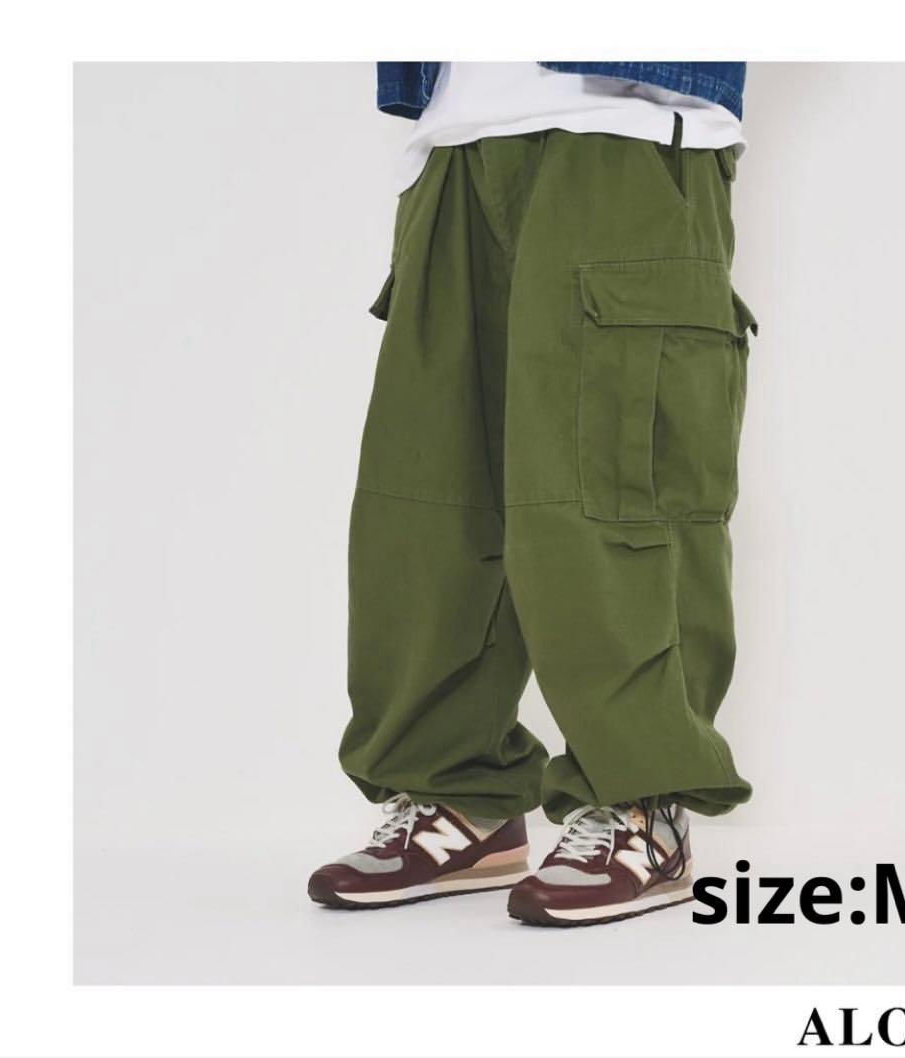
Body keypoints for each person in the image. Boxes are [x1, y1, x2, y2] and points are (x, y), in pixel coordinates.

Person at [308, 61, 758, 927]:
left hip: (626, 126)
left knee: (612, 491)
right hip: (454, 140)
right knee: (427, 504)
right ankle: (459, 796)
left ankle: (645, 806)